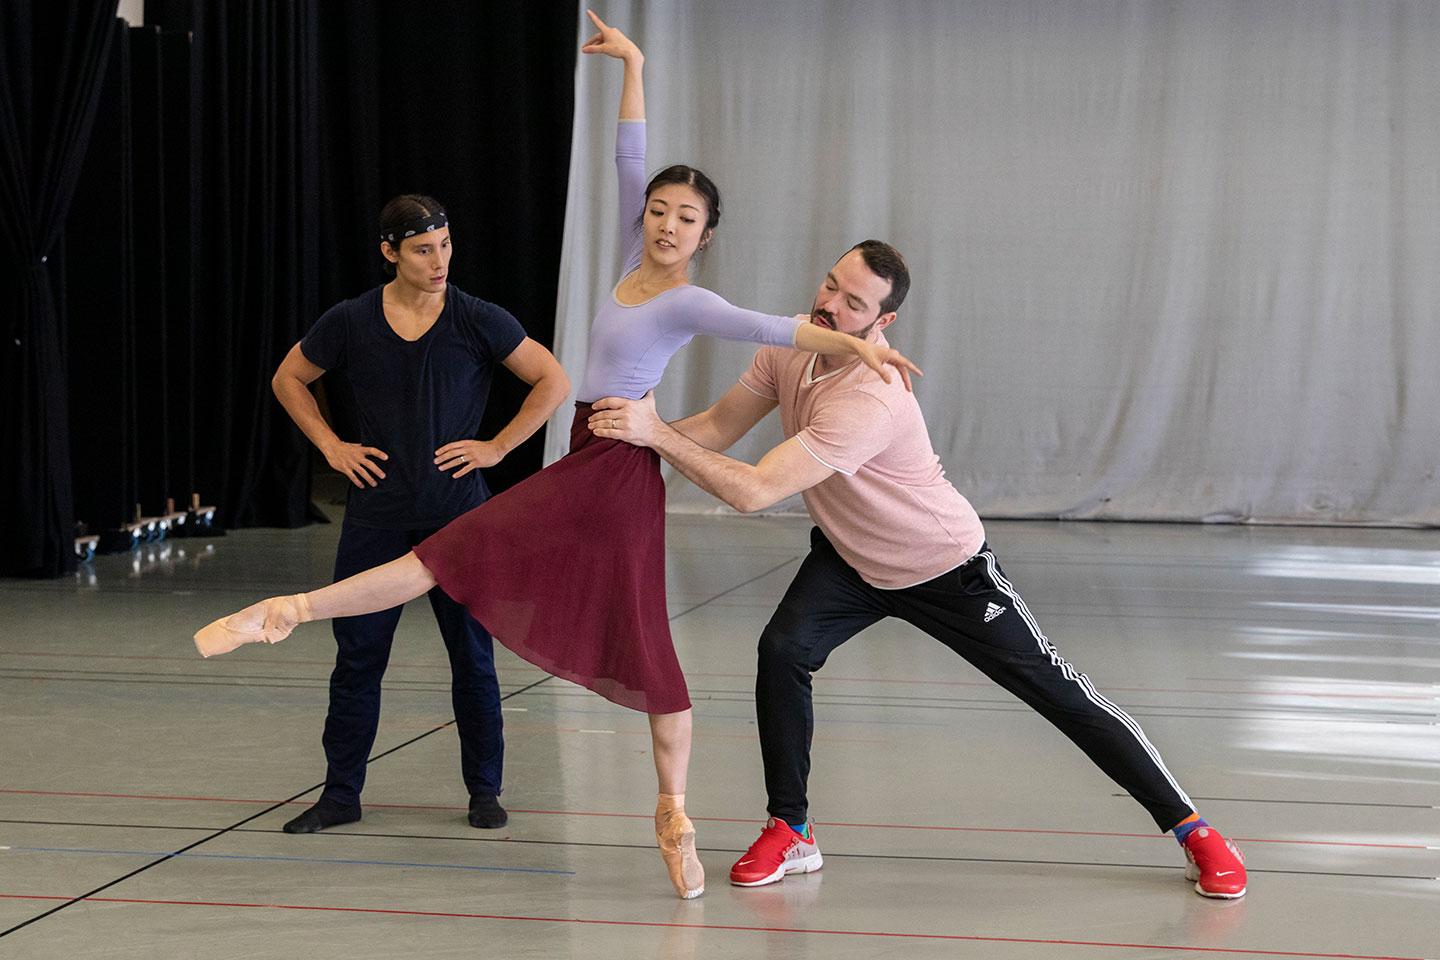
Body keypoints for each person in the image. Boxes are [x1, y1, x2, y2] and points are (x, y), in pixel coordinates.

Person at [192, 12, 920, 900]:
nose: (664, 223)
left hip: (616, 466)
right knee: (494, 581)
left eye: (685, 218)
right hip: (586, 454)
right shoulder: (627, 256)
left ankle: (671, 812)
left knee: (509, 588)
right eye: (658, 209)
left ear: (705, 235)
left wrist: (864, 348)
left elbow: (780, 327)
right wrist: (634, 68)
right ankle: (294, 612)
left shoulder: (693, 302)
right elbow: (627, 156)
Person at [587, 239, 1249, 900]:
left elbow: (754, 490)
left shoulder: (872, 395)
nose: (829, 305)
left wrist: (655, 434)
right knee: (783, 651)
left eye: (853, 303)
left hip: (943, 566)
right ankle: (792, 828)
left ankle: (1194, 829)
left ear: (884, 322)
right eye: (829, 285)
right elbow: (714, 429)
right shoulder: (789, 346)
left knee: (1057, 691)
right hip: (850, 560)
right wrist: (634, 426)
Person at [257, 194, 570, 835]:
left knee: (473, 660)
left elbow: (552, 380)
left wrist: (498, 447)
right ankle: (340, 795)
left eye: (446, 246)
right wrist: (331, 446)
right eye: (424, 250)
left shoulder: (477, 318)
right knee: (357, 661)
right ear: (389, 252)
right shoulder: (349, 321)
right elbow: (289, 378)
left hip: (459, 521)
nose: (440, 261)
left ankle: (485, 791)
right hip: (377, 519)